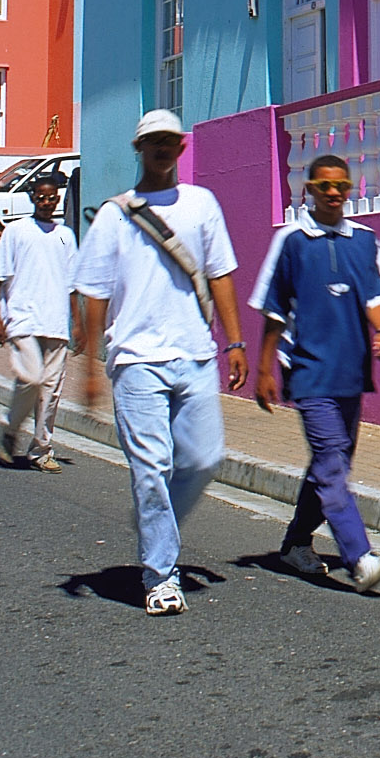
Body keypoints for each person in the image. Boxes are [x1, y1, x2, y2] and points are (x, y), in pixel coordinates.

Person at [72, 109, 246, 617]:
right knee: (152, 470)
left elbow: (220, 274)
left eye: (170, 141)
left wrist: (235, 342)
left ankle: (156, 514)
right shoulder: (114, 216)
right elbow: (94, 292)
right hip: (135, 359)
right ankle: (161, 575)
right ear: (139, 148)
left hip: (195, 354)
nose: (163, 149)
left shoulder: (201, 204)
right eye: (153, 142)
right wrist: (91, 368)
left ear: (181, 147)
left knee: (204, 459)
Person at [252, 154, 380, 594]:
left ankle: (296, 543)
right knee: (331, 462)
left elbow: (376, 294)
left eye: (341, 186)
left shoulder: (365, 240)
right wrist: (264, 368)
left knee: (331, 464)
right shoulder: (292, 241)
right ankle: (360, 557)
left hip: (351, 371)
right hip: (308, 371)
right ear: (310, 190)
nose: (334, 193)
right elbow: (274, 309)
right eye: (324, 186)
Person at [0, 172, 78, 469]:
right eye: (41, 198)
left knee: (50, 391)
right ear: (32, 198)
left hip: (56, 322)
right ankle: (10, 429)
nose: (47, 203)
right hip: (23, 318)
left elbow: (72, 284)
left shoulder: (65, 235)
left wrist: (77, 323)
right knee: (32, 378)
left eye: (52, 198)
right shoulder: (16, 231)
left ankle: (41, 450)